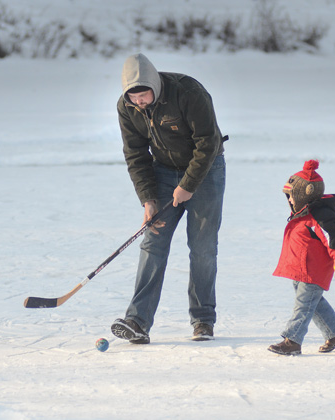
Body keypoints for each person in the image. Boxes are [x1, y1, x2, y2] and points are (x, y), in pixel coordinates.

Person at [111, 53, 227, 344]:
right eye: (132, 96)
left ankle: (202, 320)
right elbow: (135, 154)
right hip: (163, 172)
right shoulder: (127, 107)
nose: (139, 101)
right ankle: (137, 321)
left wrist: (188, 185)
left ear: (155, 85)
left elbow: (208, 142)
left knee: (202, 247)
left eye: (143, 93)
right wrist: (148, 198)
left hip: (206, 170)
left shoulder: (189, 92)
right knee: (153, 242)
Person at [268, 160, 335, 356]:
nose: (289, 200)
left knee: (303, 306)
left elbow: (334, 238)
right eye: (287, 197)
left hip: (313, 271)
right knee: (314, 303)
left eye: (292, 196)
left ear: (304, 195)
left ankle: (292, 341)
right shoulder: (302, 214)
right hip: (301, 270)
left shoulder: (320, 217)